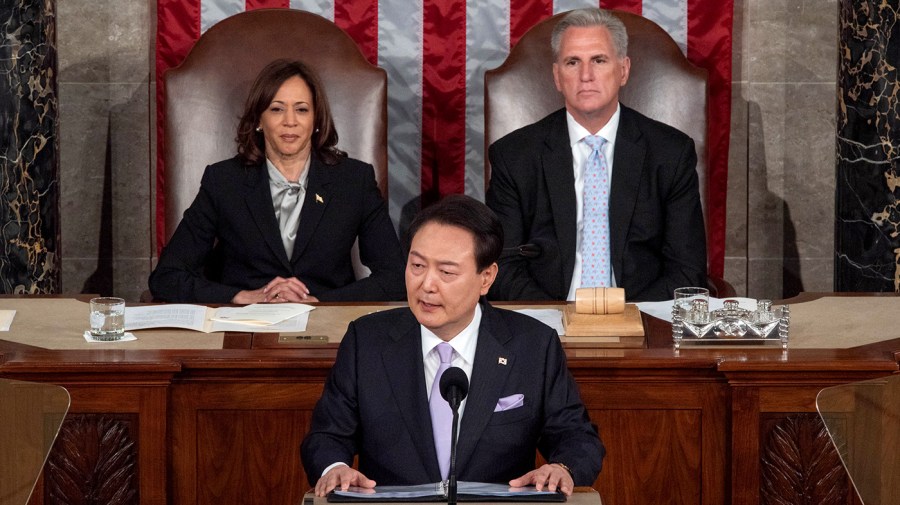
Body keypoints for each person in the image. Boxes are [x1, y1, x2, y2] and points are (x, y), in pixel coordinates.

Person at [300, 195, 604, 496]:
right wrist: (334, 467)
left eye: (446, 272)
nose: (427, 284)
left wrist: (561, 468)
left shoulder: (534, 345)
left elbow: (577, 437)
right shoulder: (365, 341)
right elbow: (326, 436)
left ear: (486, 278)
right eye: (417, 265)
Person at [486, 8, 706, 302]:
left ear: (623, 70)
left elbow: (686, 273)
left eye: (599, 60)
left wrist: (624, 320)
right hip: (548, 324)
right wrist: (557, 320)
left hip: (641, 323)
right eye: (572, 62)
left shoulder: (671, 153)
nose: (586, 76)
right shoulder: (514, 156)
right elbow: (502, 268)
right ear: (557, 76)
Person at [149, 59, 405, 303]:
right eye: (277, 109)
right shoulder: (224, 181)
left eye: (302, 109)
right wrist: (239, 297)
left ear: (316, 119)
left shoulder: (354, 180)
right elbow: (167, 277)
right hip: (245, 326)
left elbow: (395, 278)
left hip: (327, 326)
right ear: (260, 120)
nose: (290, 121)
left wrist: (320, 302)